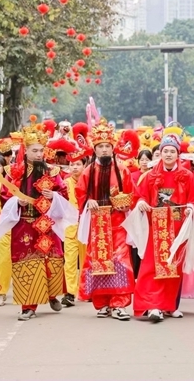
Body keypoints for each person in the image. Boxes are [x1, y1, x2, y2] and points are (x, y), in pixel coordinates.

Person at [0, 118, 69, 321]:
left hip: (46, 223)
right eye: (34, 151)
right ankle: (28, 306)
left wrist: (55, 196)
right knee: (26, 263)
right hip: (24, 223)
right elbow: (5, 195)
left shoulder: (52, 171)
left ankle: (52, 295)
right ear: (26, 150)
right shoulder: (15, 173)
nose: (39, 154)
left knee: (51, 260)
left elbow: (64, 193)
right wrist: (17, 202)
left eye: (41, 150)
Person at [132, 134, 194, 322]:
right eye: (165, 151)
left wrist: (190, 209)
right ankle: (152, 305)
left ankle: (169, 305)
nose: (169, 154)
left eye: (172, 151)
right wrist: (141, 203)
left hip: (178, 228)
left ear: (178, 154)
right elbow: (140, 196)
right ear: (160, 153)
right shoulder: (150, 176)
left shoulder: (187, 176)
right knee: (151, 267)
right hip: (156, 226)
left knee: (173, 267)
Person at [75, 118, 135, 321]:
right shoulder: (88, 171)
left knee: (119, 260)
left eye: (107, 146)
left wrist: (126, 203)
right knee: (98, 261)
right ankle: (102, 303)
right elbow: (80, 194)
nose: (104, 150)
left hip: (117, 222)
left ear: (112, 148)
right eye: (100, 146)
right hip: (97, 224)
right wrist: (88, 201)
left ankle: (119, 304)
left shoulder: (123, 169)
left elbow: (131, 194)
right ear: (95, 149)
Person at [61, 148, 90, 307]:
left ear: (84, 165)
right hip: (70, 227)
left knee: (86, 259)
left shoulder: (89, 180)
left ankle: (86, 290)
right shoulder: (64, 183)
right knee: (70, 260)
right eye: (72, 164)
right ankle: (70, 292)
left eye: (78, 164)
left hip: (86, 225)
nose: (74, 167)